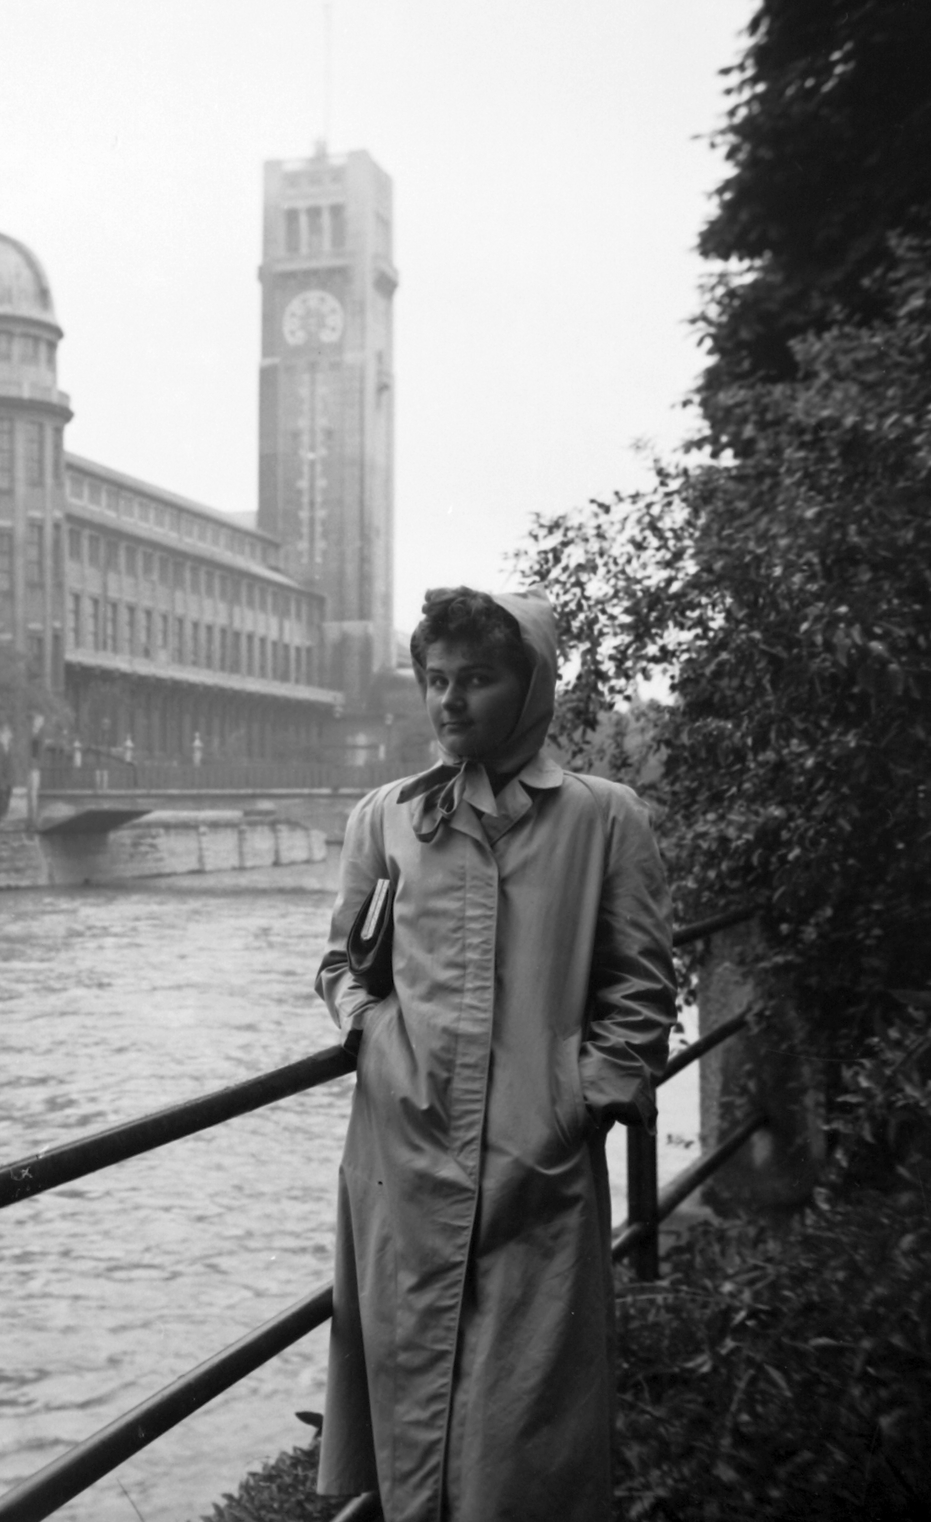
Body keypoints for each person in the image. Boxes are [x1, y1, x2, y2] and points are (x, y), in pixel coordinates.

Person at [315, 587, 676, 1522]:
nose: (450, 701)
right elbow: (341, 962)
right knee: (410, 1433)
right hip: (404, 1162)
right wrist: (367, 1031)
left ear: (532, 685)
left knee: (521, 1444)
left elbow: (641, 990)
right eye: (436, 679)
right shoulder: (386, 817)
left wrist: (577, 1103)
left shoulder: (604, 818)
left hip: (535, 1173)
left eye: (477, 678)